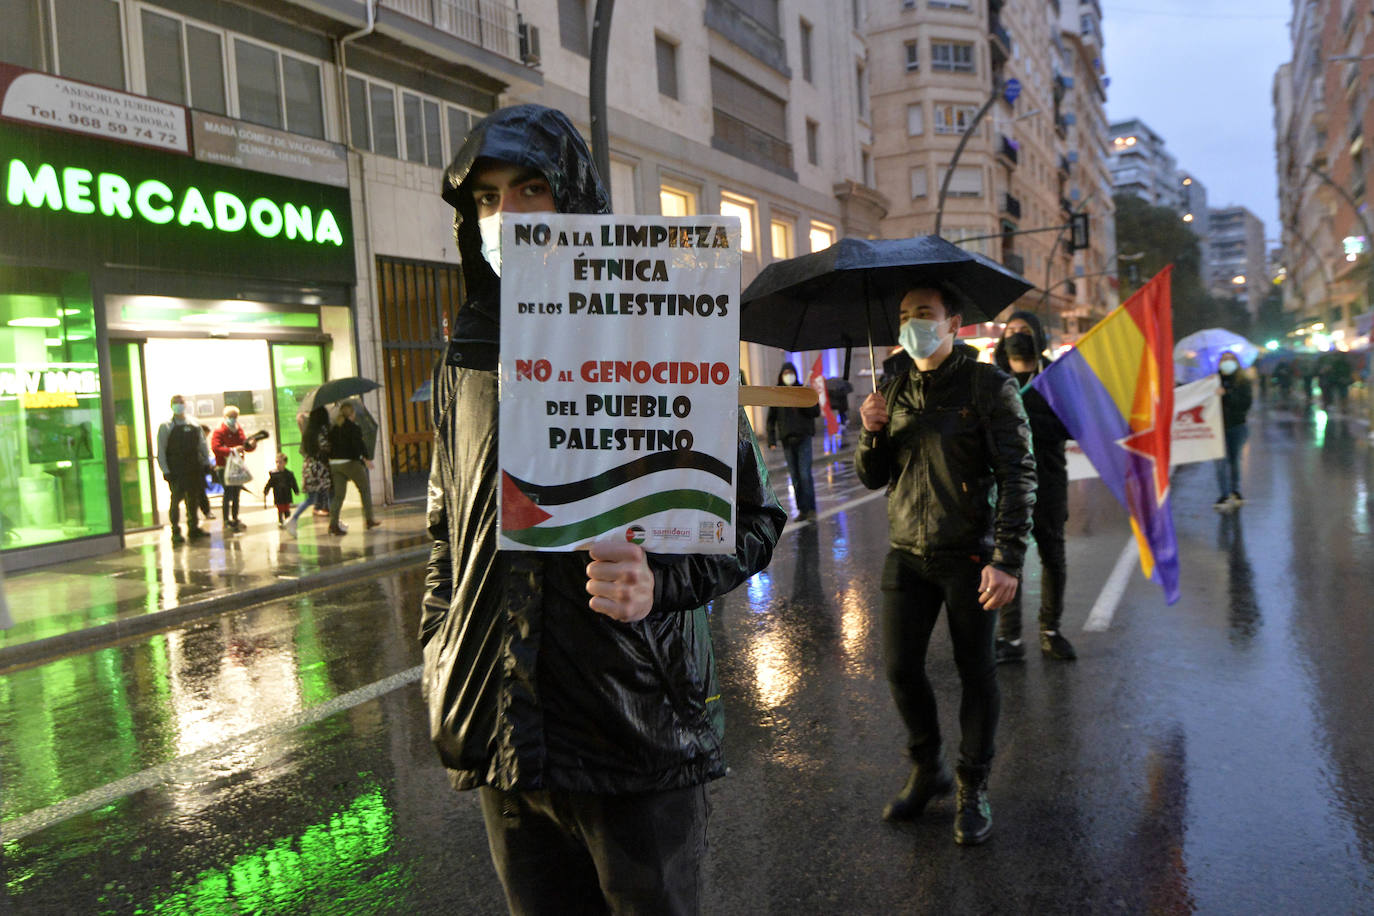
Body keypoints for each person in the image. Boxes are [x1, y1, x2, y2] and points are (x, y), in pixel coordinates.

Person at [423, 104, 786, 915]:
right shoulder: (469, 355)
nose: (505, 217)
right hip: (506, 740)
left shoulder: (660, 334)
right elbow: (445, 536)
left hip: (635, 737)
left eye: (529, 189)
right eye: (484, 199)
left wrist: (659, 582)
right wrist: (441, 653)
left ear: (575, 202)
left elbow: (757, 518)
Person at [856, 283, 1035, 846]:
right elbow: (873, 477)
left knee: (976, 671)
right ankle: (926, 767)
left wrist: (1006, 558)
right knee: (901, 670)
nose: (913, 324)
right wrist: (870, 432)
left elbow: (1019, 474)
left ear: (953, 322)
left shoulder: (988, 385)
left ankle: (971, 784)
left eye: (925, 314)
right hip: (907, 551)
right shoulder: (893, 384)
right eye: (905, 314)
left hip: (970, 555)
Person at [992, 311, 1076, 662]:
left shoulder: (1055, 379)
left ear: (1038, 336)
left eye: (1025, 330)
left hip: (1049, 483)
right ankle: (1009, 637)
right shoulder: (993, 381)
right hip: (1006, 489)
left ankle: (1050, 630)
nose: (1016, 335)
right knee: (1008, 559)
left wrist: (1028, 421)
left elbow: (1072, 426)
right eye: (1010, 330)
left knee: (1052, 556)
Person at [766, 362, 821, 522]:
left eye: (791, 372)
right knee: (795, 477)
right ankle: (802, 509)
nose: (788, 376)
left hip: (803, 438)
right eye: (786, 373)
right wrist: (771, 439)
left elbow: (815, 411)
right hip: (787, 441)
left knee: (804, 475)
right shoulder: (778, 393)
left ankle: (810, 508)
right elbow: (771, 419)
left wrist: (803, 403)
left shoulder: (803, 391)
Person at [157, 394, 214, 544]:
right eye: (176, 403)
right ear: (171, 406)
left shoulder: (195, 424)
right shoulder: (166, 426)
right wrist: (166, 471)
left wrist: (206, 463)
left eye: (181, 402)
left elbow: (202, 445)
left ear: (185, 404)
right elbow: (161, 451)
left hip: (194, 468)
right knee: (175, 500)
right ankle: (175, 530)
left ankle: (193, 528)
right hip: (176, 470)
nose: (179, 405)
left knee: (193, 499)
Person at [326, 402, 378, 535]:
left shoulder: (334, 428)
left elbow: (329, 445)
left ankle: (333, 525)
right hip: (350, 463)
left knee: (339, 496)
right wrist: (365, 459)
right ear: (352, 414)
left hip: (335, 464)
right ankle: (369, 519)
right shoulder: (354, 427)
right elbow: (358, 446)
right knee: (364, 489)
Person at [1213, 350, 1253, 511]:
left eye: (1230, 359)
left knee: (1234, 460)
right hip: (1217, 428)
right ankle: (1223, 494)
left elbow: (1245, 404)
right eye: (1224, 359)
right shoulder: (1213, 381)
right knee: (1220, 463)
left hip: (1237, 426)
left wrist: (1226, 395)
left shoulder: (1243, 381)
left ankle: (1235, 491)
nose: (1227, 362)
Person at [284, 407, 333, 538]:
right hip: (319, 468)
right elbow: (326, 447)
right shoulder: (321, 431)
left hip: (308, 466)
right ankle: (334, 523)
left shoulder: (308, 432)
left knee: (314, 497)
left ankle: (293, 519)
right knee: (327, 493)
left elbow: (303, 450)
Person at [210, 406, 256, 531]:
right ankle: (226, 520)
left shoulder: (238, 429)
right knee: (228, 492)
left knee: (236, 493)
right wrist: (232, 450)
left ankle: (235, 518)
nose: (233, 420)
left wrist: (251, 446)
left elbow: (244, 445)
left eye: (235, 417)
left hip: (236, 466)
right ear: (225, 417)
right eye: (231, 417)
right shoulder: (219, 430)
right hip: (223, 466)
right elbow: (216, 448)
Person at [263, 452, 300, 525]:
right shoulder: (274, 474)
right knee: (280, 508)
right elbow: (270, 483)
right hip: (278, 494)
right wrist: (266, 490)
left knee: (286, 507)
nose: (278, 464)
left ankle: (288, 519)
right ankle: (281, 520)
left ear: (285, 463)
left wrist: (296, 490)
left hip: (286, 494)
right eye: (277, 462)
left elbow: (293, 483)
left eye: (280, 462)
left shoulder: (289, 474)